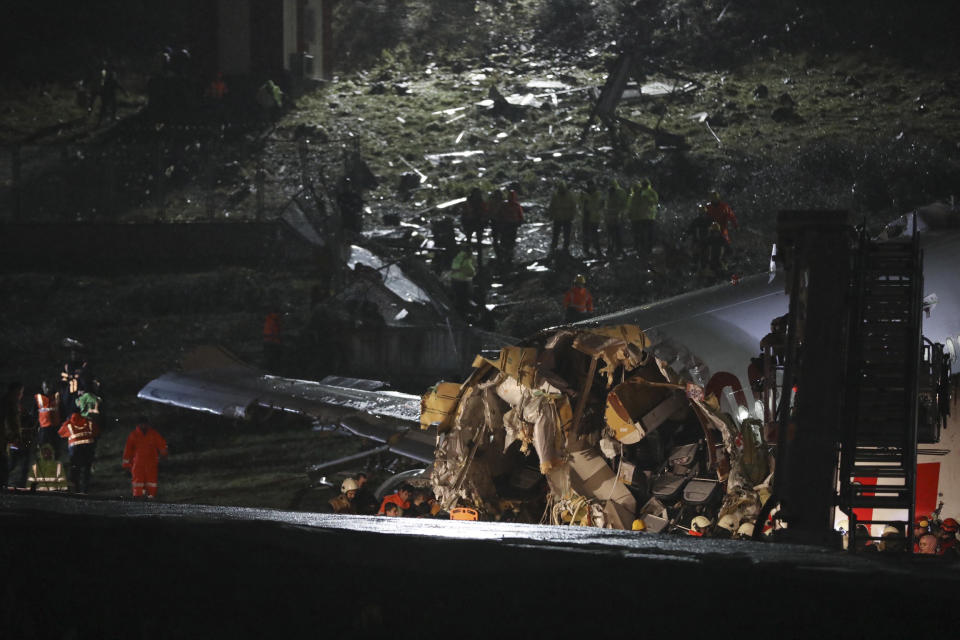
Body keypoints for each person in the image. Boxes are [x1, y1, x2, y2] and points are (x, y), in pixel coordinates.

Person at [121, 417, 168, 499]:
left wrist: (163, 454)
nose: (143, 426)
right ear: (138, 424)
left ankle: (151, 497)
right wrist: (126, 464)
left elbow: (161, 445)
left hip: (151, 462)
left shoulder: (153, 434)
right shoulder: (133, 435)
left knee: (151, 481)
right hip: (138, 464)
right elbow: (128, 450)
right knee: (138, 481)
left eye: (145, 424)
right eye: (141, 424)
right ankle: (138, 497)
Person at [58, 410, 100, 494]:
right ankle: (85, 490)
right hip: (88, 448)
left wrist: (66, 422)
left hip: (75, 449)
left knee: (75, 470)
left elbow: (60, 433)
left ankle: (76, 490)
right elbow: (96, 432)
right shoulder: (88, 422)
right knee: (86, 469)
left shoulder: (69, 425)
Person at [3, 382, 32, 489]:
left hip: (11, 441)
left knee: (12, 464)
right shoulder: (9, 405)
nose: (21, 395)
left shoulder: (14, 406)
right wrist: (15, 436)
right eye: (20, 392)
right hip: (9, 442)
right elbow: (11, 424)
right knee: (7, 464)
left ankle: (13, 485)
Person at [627, 178, 658, 254]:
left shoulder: (651, 192)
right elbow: (633, 205)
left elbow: (655, 202)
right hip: (641, 217)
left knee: (648, 234)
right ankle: (642, 249)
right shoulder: (638, 194)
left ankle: (648, 249)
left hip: (649, 217)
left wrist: (647, 198)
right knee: (641, 234)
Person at [492, 190, 523, 266]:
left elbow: (520, 214)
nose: (511, 197)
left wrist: (520, 221)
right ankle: (504, 256)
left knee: (511, 241)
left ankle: (509, 257)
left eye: (512, 196)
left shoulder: (516, 205)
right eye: (510, 196)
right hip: (505, 225)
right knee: (504, 241)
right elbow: (499, 214)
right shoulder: (504, 205)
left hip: (513, 225)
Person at [547, 182, 578, 255]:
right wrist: (551, 215)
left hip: (567, 218)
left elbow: (573, 206)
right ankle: (554, 246)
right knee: (556, 234)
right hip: (558, 218)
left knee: (566, 234)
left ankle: (565, 247)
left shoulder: (569, 195)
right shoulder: (555, 195)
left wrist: (573, 215)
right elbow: (551, 205)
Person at [449, 245, 477, 318]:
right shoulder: (466, 259)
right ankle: (464, 315)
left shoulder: (457, 258)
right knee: (465, 299)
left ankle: (457, 313)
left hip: (455, 281)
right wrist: (474, 272)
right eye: (471, 251)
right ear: (467, 251)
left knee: (458, 299)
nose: (472, 253)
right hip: (463, 281)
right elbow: (470, 271)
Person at [580, 181, 604, 258]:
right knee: (586, 234)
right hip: (586, 217)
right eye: (589, 185)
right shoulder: (584, 194)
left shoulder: (598, 194)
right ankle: (586, 251)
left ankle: (598, 251)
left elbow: (601, 205)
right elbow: (580, 204)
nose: (590, 187)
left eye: (591, 185)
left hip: (594, 218)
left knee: (594, 235)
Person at [604, 179, 628, 257]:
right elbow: (606, 204)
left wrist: (621, 214)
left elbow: (623, 205)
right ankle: (612, 248)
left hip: (617, 216)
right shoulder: (609, 193)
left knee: (617, 234)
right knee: (611, 234)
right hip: (610, 216)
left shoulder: (620, 192)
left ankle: (619, 249)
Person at [34, 381, 60, 449]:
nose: (48, 389)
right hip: (44, 427)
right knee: (43, 447)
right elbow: (34, 413)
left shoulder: (57, 396)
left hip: (55, 427)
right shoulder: (38, 397)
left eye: (49, 387)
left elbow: (62, 409)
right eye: (46, 387)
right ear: (42, 387)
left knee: (56, 447)